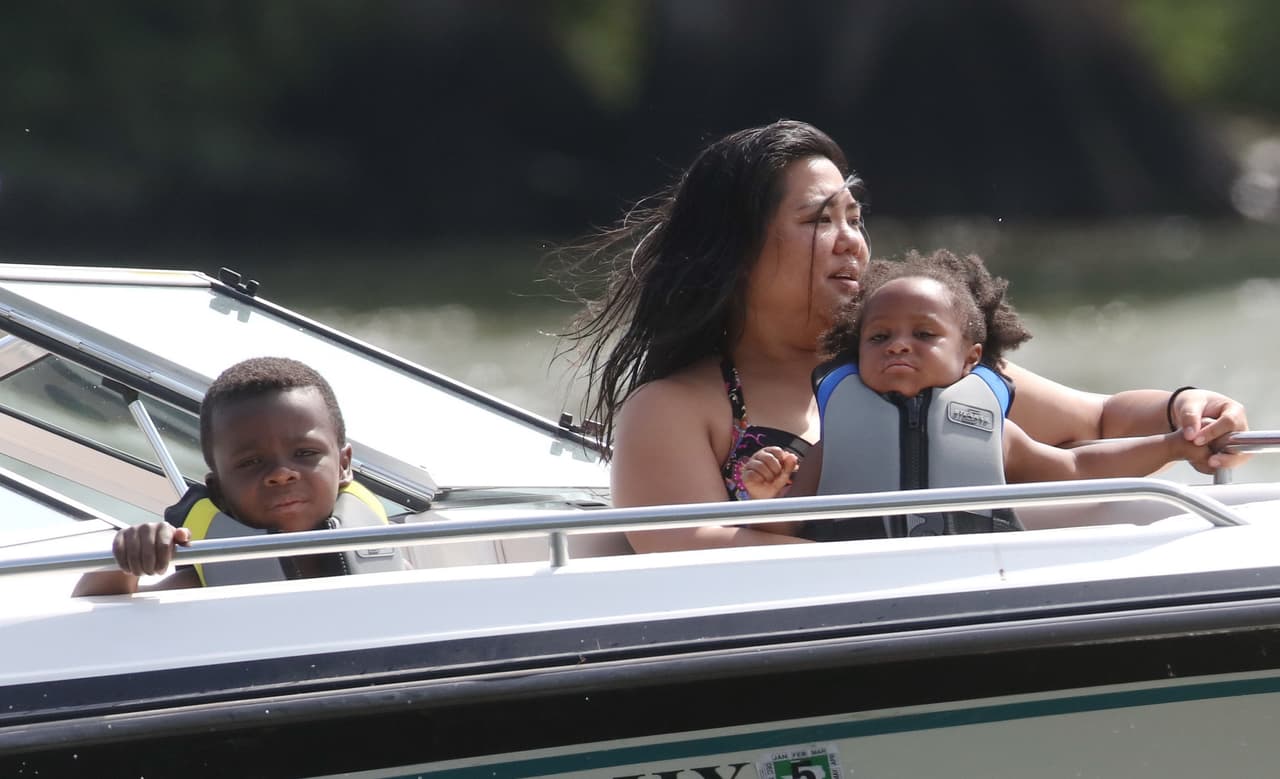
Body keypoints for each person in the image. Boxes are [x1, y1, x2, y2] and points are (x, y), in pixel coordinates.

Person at [556, 119, 1249, 553]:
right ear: (736, 250)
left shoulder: (911, 364)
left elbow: (1096, 421)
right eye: (820, 221)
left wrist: (1186, 407)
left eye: (856, 218)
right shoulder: (676, 407)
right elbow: (689, 547)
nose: (852, 243)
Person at [740, 252, 1213, 530]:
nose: (899, 344)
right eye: (879, 337)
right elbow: (788, 523)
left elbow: (1077, 467)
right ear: (856, 352)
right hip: (865, 589)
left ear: (971, 358)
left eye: (924, 335)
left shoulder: (994, 431)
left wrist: (1173, 445)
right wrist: (764, 496)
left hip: (975, 582)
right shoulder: (837, 441)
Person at [73, 357, 404, 595]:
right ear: (218, 492)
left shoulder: (397, 573)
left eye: (305, 454)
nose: (281, 474)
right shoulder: (202, 587)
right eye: (251, 462)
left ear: (344, 464)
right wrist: (126, 560)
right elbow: (90, 618)